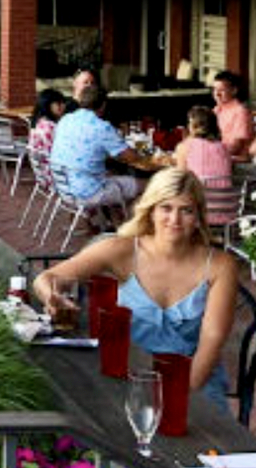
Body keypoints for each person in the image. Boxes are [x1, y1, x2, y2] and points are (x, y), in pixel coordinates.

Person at [33, 167, 240, 405]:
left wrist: (180, 399)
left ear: (198, 217)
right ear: (151, 210)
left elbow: (211, 343)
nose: (174, 220)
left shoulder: (220, 266)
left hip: (193, 379)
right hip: (128, 375)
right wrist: (52, 295)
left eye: (186, 210)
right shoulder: (123, 250)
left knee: (207, 439)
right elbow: (45, 278)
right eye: (166, 208)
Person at [49, 85, 154, 212]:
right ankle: (134, 225)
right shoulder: (102, 127)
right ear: (103, 105)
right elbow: (131, 157)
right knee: (150, 184)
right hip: (88, 193)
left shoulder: (65, 119)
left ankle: (113, 223)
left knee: (115, 176)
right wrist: (147, 156)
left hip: (64, 188)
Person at [174, 106, 236, 229]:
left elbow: (179, 177)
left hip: (198, 211)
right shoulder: (224, 148)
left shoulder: (185, 147)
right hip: (227, 210)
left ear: (193, 126)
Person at [210, 71, 256, 161]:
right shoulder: (217, 109)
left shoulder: (240, 112)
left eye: (222, 90)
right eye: (215, 89)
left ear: (234, 90)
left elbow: (236, 147)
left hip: (236, 160)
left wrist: (209, 151)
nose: (217, 94)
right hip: (219, 154)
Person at [27, 87, 68, 187]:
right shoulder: (51, 128)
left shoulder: (38, 123)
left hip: (42, 176)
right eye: (58, 103)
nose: (63, 106)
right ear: (48, 105)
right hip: (57, 178)